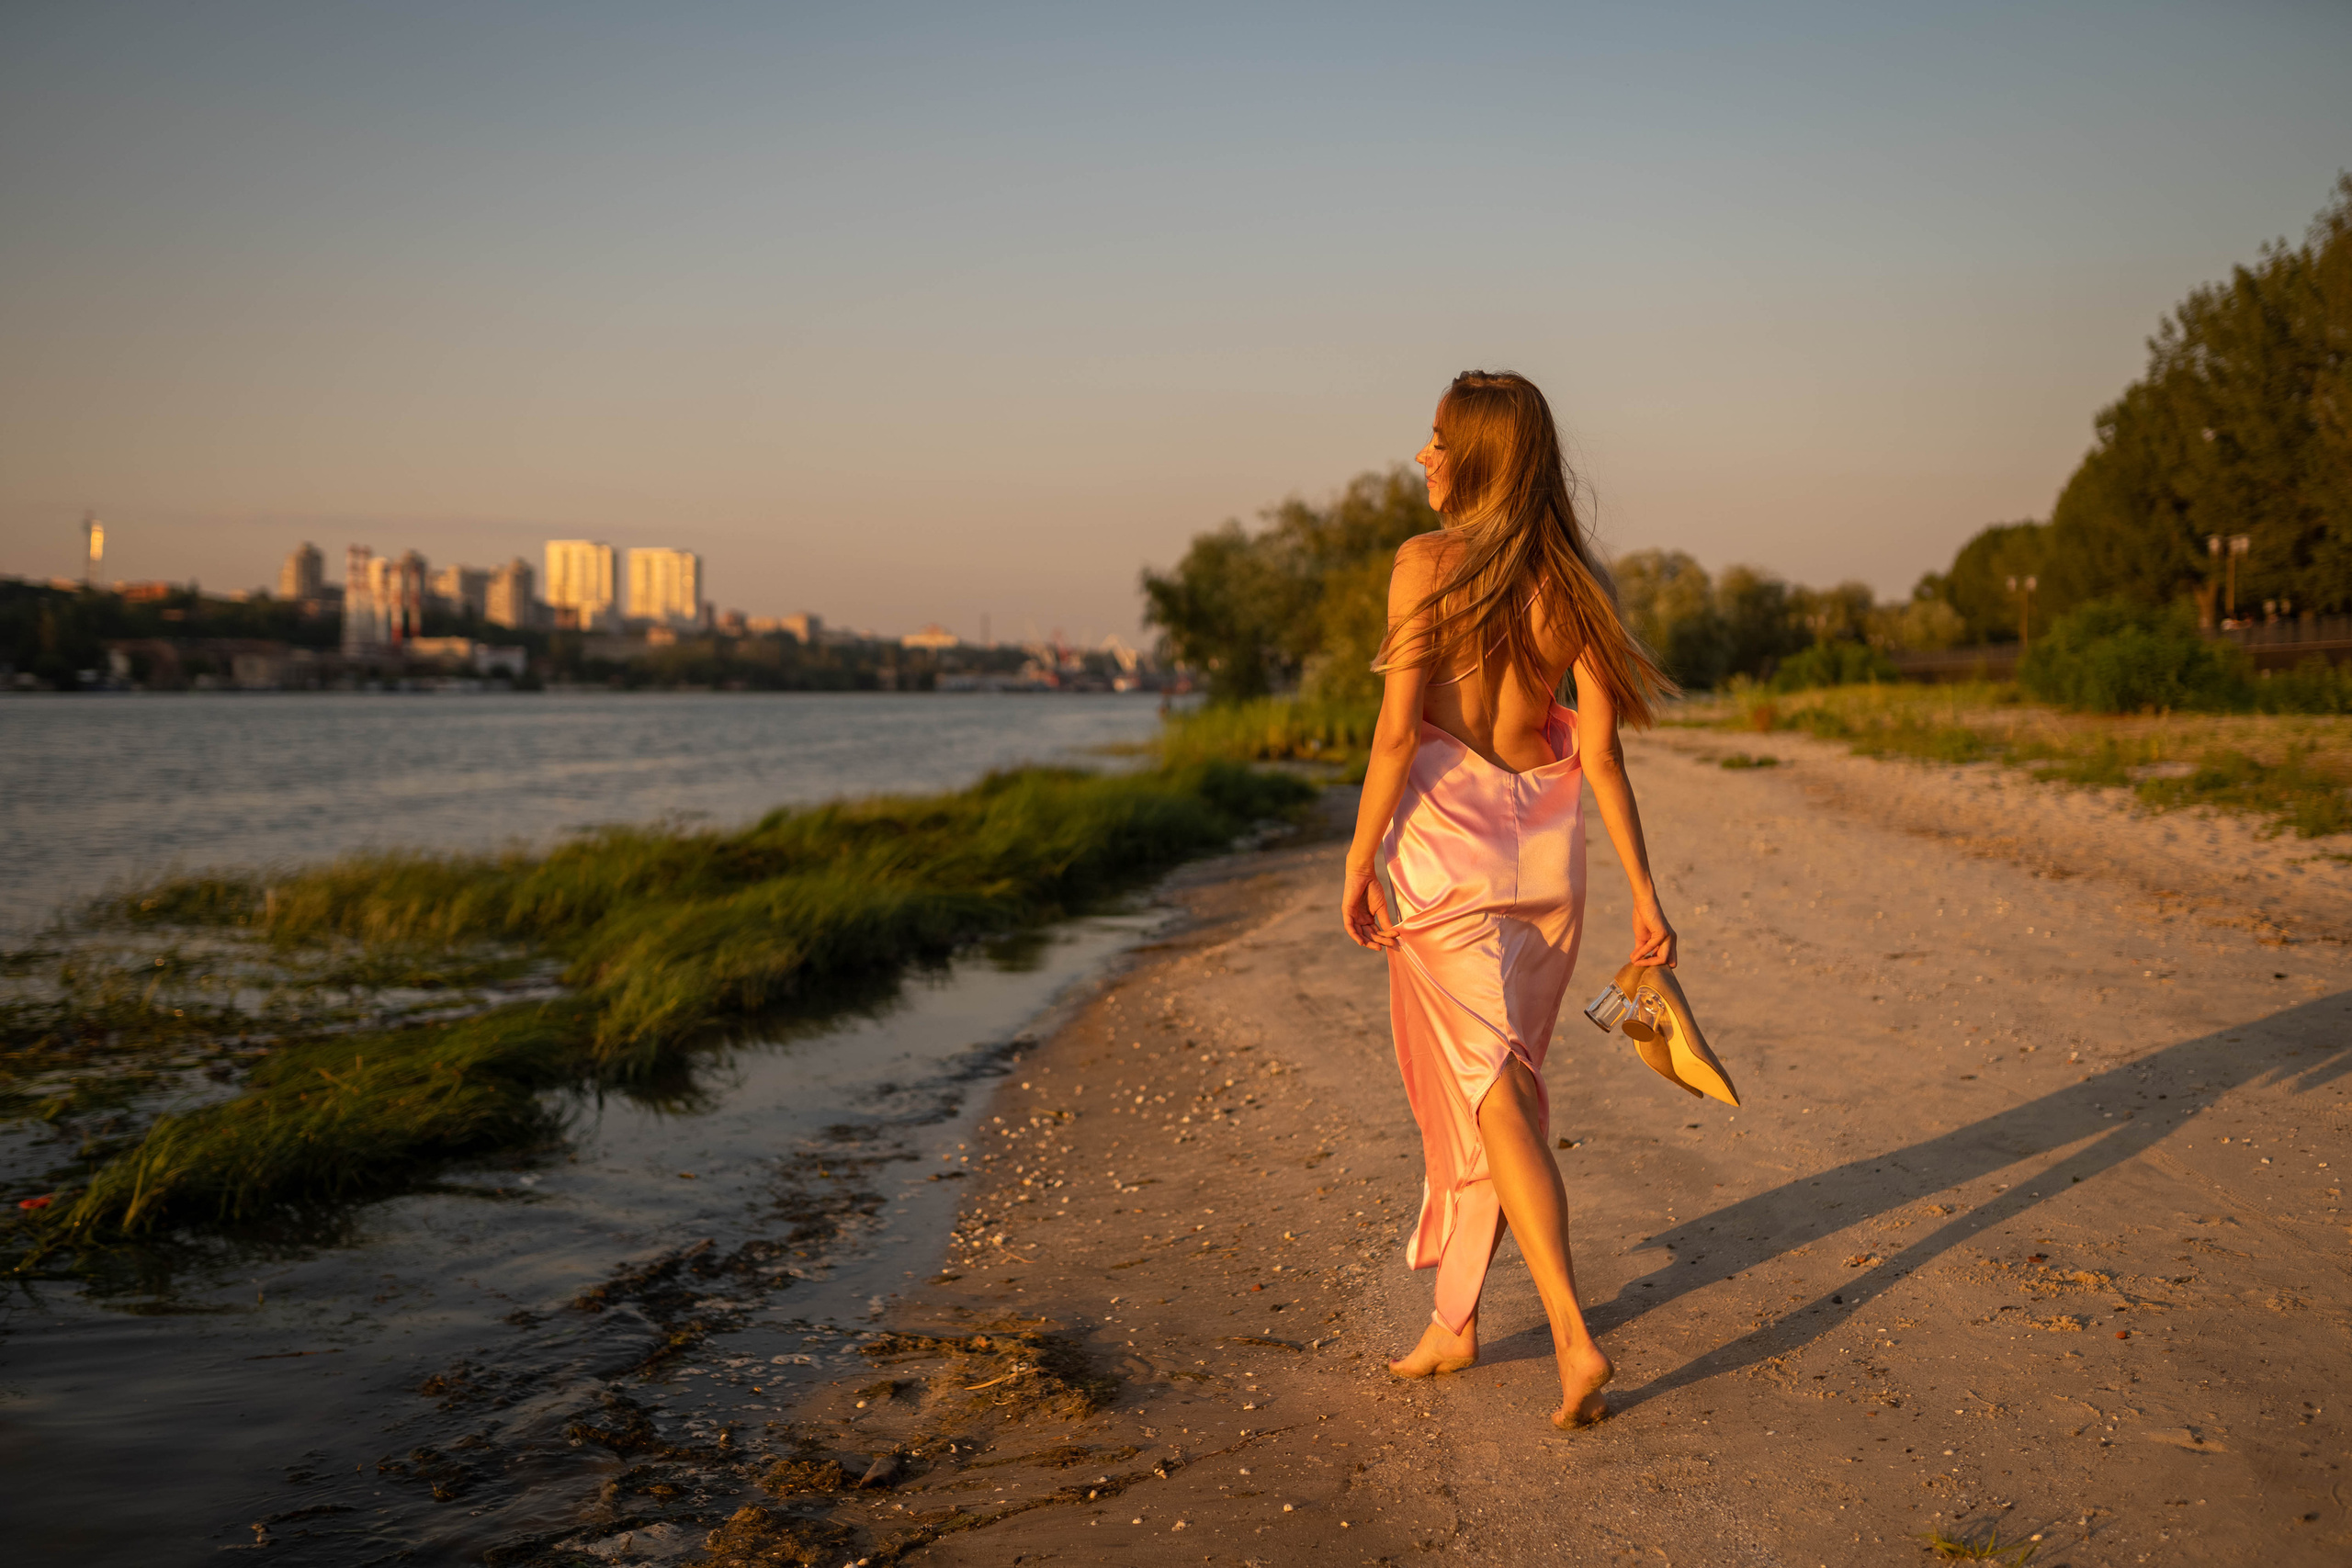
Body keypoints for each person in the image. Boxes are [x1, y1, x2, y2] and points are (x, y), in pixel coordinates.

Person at [1339, 369, 1677, 1430]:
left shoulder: (1422, 563)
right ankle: (1456, 1322)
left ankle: (1573, 1337)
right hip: (1545, 860)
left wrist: (1356, 860)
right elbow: (1604, 758)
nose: (1422, 456)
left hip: (1446, 858)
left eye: (1438, 440)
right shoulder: (1577, 583)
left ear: (1479, 456)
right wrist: (1645, 895)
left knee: (1491, 1095)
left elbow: (1398, 734)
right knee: (1498, 1089)